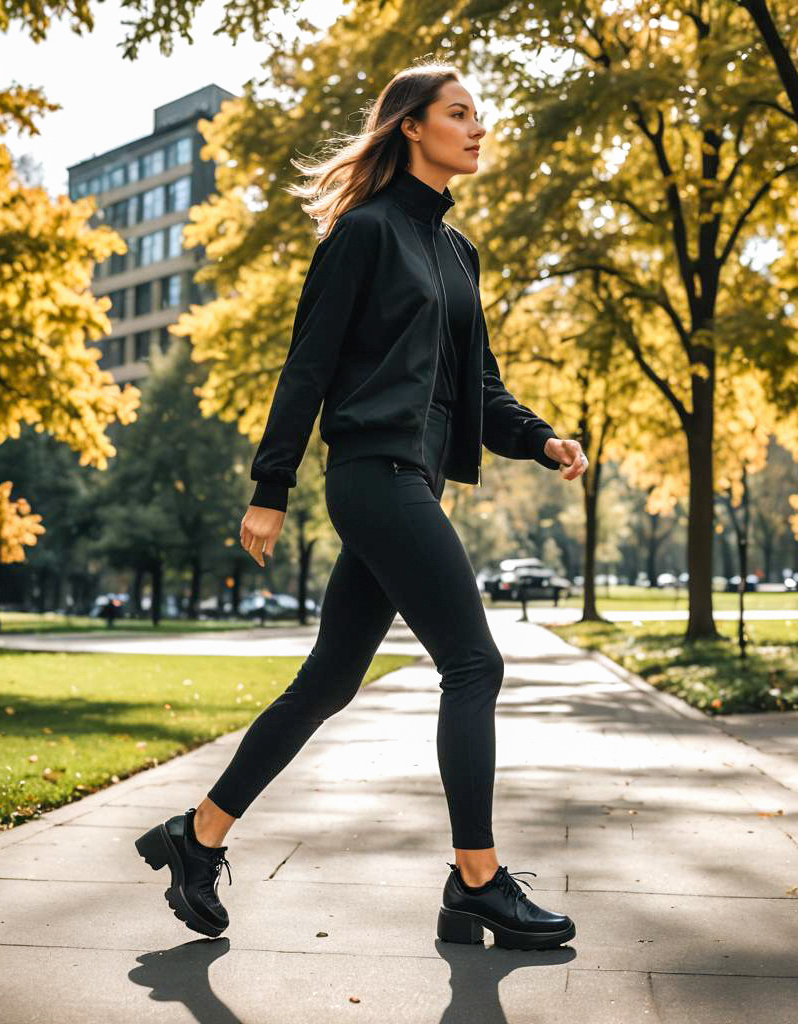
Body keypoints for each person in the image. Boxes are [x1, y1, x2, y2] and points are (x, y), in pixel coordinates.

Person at [136, 61, 589, 950]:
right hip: (370, 474)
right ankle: (478, 882)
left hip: (409, 482)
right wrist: (272, 488)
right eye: (460, 112)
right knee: (474, 663)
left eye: (478, 113)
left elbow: (479, 389)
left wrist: (539, 438)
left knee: (330, 679)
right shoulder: (365, 233)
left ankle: (198, 835)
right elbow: (307, 365)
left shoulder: (459, 254)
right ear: (411, 126)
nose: (477, 125)